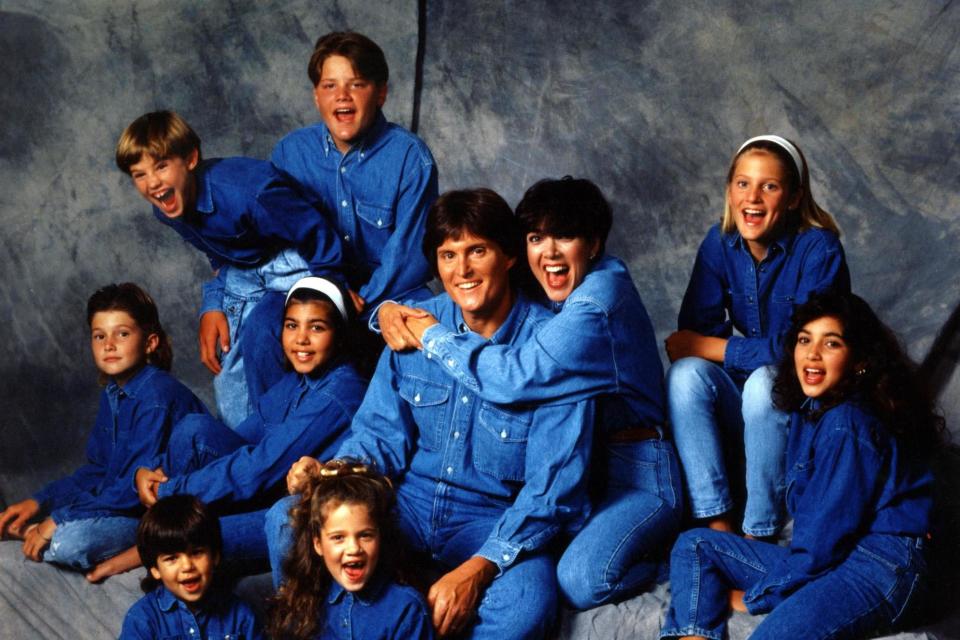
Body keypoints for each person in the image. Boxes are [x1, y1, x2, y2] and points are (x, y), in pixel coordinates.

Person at [267, 189, 596, 638]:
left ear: (509, 256)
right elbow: (379, 437)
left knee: (527, 599)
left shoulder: (551, 346)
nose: (461, 271)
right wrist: (330, 472)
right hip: (405, 509)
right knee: (285, 521)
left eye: (477, 251)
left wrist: (477, 569)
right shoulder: (412, 324)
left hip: (490, 522)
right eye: (448, 255)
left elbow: (551, 493)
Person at [378, 177, 681, 608]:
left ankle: (671, 561)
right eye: (537, 238)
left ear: (593, 244)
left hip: (635, 470)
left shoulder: (596, 303)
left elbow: (515, 375)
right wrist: (385, 310)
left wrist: (434, 337)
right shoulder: (551, 284)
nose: (550, 252)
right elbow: (475, 290)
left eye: (565, 236)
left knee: (580, 581)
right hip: (587, 470)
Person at [660, 291, 942, 639]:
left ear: (859, 361)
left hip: (883, 565)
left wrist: (755, 597)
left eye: (832, 343)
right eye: (805, 340)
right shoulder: (814, 411)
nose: (812, 354)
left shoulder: (847, 422)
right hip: (842, 554)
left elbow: (821, 545)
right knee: (695, 545)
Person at [98, 277, 367, 579]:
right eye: (292, 326)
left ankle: (155, 537)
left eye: (316, 328)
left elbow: (260, 466)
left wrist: (169, 489)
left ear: (339, 334)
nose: (301, 339)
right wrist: (154, 470)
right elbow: (245, 438)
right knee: (194, 429)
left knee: (194, 541)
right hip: (270, 485)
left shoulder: (339, 393)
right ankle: (159, 525)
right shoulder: (299, 380)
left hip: (294, 510)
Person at [665, 135, 850, 537]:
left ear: (794, 198)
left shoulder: (820, 249)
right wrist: (707, 348)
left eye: (770, 186)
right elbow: (692, 335)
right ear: (729, 190)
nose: (753, 197)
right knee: (685, 377)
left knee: (765, 380)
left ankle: (759, 530)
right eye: (743, 183)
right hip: (754, 401)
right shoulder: (719, 242)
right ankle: (718, 523)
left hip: (809, 403)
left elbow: (802, 353)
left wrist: (712, 347)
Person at [116, 110, 345, 429]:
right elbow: (220, 257)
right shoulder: (167, 211)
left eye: (161, 166)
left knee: (261, 336)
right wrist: (213, 304)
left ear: (191, 159)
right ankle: (243, 446)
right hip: (247, 269)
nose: (152, 183)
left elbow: (315, 232)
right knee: (227, 363)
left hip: (297, 256)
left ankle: (277, 436)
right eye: (139, 174)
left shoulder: (251, 192)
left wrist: (333, 285)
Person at [0, 283, 228, 580]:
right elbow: (100, 470)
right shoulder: (115, 392)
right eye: (99, 336)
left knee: (71, 542)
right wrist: (40, 502)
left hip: (172, 512)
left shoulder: (156, 395)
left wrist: (57, 520)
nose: (109, 344)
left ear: (150, 343)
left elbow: (134, 489)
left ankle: (144, 547)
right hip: (131, 505)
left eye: (122, 334)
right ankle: (42, 530)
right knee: (61, 526)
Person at [271, 31, 438, 321]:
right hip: (314, 293)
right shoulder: (290, 154)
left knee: (427, 323)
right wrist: (329, 295)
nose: (341, 96)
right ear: (316, 95)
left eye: (356, 84)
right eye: (329, 86)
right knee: (262, 324)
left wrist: (349, 307)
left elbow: (410, 259)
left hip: (392, 294)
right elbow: (262, 237)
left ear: (381, 93)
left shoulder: (411, 158)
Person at [268, 461, 433, 639]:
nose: (354, 548)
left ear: (380, 537)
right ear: (318, 544)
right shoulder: (306, 598)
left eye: (365, 535)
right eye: (338, 537)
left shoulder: (406, 609)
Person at [120, 495, 263, 639]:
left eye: (196, 553)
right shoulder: (143, 620)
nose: (187, 566)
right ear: (155, 570)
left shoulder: (241, 616)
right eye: (172, 558)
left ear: (215, 556)